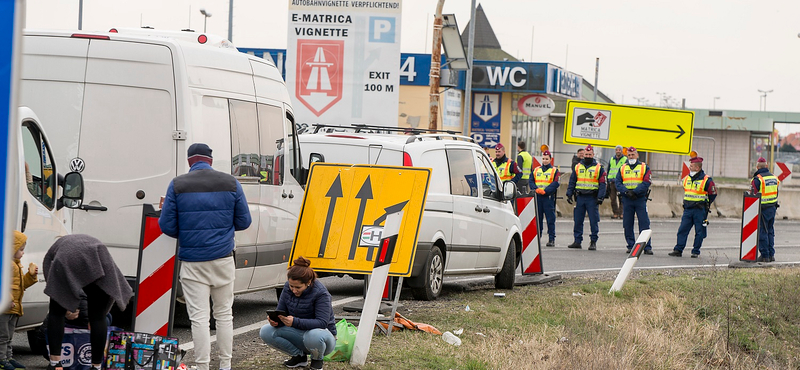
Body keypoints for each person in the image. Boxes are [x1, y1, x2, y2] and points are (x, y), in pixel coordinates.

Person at [159, 143, 252, 370]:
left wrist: (188, 232)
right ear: (210, 160)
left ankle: (202, 366)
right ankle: (226, 365)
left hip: (192, 261)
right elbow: (244, 221)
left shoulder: (177, 185)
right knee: (224, 314)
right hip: (223, 258)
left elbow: (166, 226)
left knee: (199, 318)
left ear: (190, 161)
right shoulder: (231, 183)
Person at [43, 234, 133, 370]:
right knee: (98, 318)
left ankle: (56, 364)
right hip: (99, 259)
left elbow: (51, 280)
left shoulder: (56, 249)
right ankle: (96, 366)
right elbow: (108, 289)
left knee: (56, 313)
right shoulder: (87, 241)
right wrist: (102, 313)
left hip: (68, 259)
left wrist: (63, 304)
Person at [260, 257, 336, 370]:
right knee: (266, 331)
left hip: (323, 336)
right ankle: (299, 357)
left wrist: (295, 322)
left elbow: (322, 322)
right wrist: (276, 321)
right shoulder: (287, 288)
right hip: (299, 332)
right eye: (291, 286)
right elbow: (281, 312)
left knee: (314, 335)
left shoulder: (321, 293)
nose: (294, 290)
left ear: (308, 282)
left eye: (298, 287)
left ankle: (317, 360)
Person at [0, 231, 37, 370]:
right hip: (5, 307)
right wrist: (7, 299)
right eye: (21, 249)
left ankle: (8, 357)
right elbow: (2, 283)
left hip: (14, 307)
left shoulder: (16, 265)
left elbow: (21, 286)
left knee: (9, 335)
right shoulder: (6, 265)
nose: (23, 253)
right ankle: (2, 359)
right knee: (3, 335)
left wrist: (30, 276)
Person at [669, 157, 717, 258]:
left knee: (699, 232)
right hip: (688, 209)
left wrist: (706, 203)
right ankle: (678, 250)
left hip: (700, 209)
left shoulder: (706, 180)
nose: (689, 167)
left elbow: (712, 193)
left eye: (692, 166)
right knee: (682, 230)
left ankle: (696, 251)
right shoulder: (686, 178)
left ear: (697, 168)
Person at [566, 145, 605, 250]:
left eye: (589, 154)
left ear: (593, 155)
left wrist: (600, 197)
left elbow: (602, 184)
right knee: (578, 220)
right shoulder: (578, 166)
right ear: (583, 155)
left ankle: (593, 241)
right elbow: (572, 181)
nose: (588, 156)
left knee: (593, 221)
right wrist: (569, 193)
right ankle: (577, 241)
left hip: (592, 198)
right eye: (586, 154)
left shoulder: (598, 168)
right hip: (580, 197)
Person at [616, 147, 653, 255]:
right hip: (627, 199)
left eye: (633, 155)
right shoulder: (622, 168)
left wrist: (635, 192)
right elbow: (618, 182)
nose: (631, 157)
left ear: (637, 155)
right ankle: (631, 245)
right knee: (627, 223)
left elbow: (647, 182)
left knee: (644, 223)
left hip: (639, 199)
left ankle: (647, 247)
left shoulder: (644, 167)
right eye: (629, 155)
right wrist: (626, 192)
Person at [751, 157, 780, 262]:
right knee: (770, 231)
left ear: (757, 167)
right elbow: (776, 192)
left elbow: (753, 195)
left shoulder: (757, 179)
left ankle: (764, 256)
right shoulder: (774, 178)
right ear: (766, 166)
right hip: (772, 207)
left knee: (762, 232)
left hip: (762, 208)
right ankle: (771, 255)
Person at [531, 151, 560, 247]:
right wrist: (536, 189)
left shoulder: (554, 171)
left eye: (547, 159)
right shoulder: (536, 170)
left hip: (548, 198)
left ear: (550, 159)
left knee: (550, 219)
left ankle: (551, 239)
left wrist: (546, 191)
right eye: (543, 159)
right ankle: (537, 238)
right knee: (538, 219)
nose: (545, 160)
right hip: (538, 197)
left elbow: (556, 183)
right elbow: (531, 181)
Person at [607, 145, 625, 219]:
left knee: (621, 198)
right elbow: (609, 169)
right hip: (612, 181)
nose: (618, 151)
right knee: (613, 199)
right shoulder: (612, 159)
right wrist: (608, 179)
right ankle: (615, 213)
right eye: (617, 150)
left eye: (619, 150)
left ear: (621, 151)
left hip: (621, 182)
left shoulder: (625, 159)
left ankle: (621, 213)